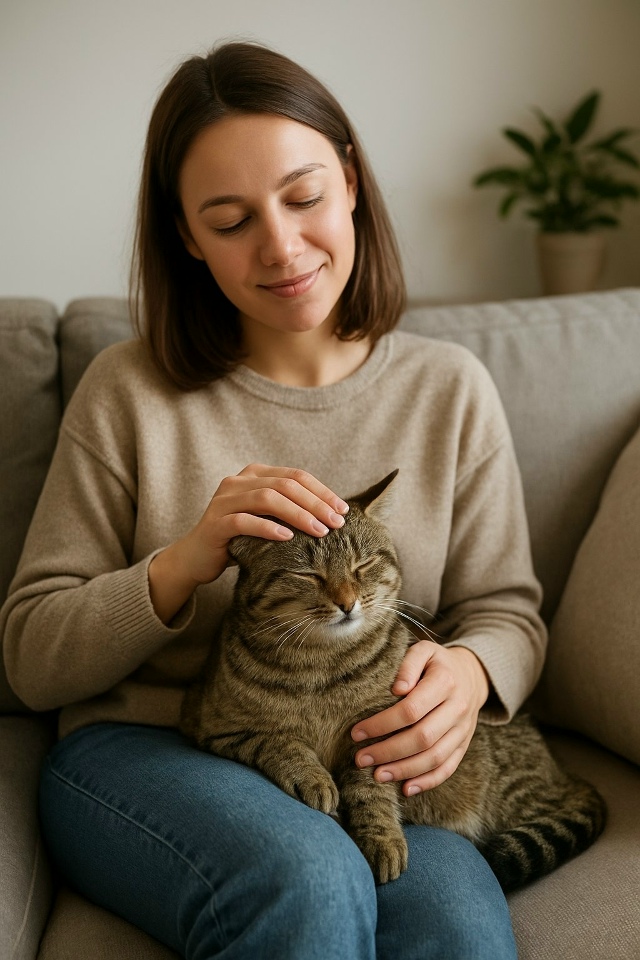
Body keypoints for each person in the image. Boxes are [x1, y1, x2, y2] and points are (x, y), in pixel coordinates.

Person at [0, 41, 546, 960]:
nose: (282, 247)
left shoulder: (449, 388)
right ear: (185, 235)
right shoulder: (126, 391)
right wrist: (183, 563)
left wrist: (469, 673)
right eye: (230, 220)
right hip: (143, 751)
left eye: (304, 197)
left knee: (455, 927)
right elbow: (30, 656)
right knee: (308, 880)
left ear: (352, 183)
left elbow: (508, 611)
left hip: (371, 765)